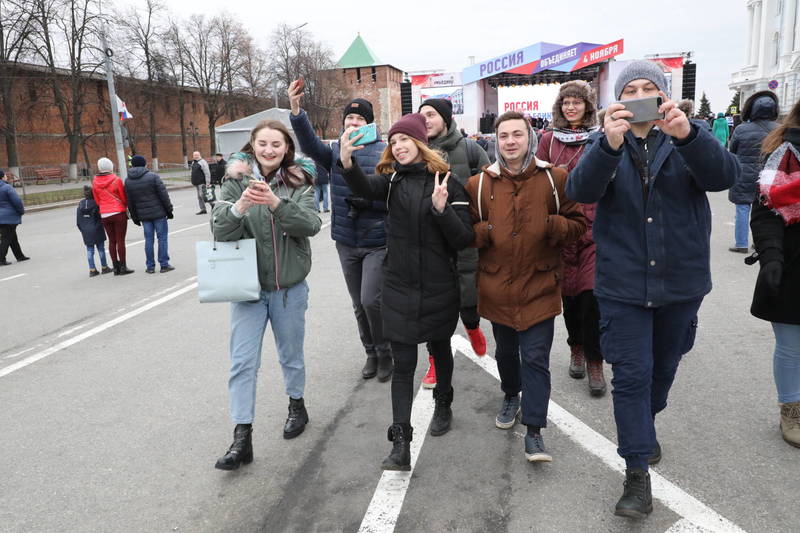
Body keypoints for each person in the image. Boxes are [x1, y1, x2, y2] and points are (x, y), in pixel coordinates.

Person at [567, 61, 739, 518]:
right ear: (618, 100)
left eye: (649, 88)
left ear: (663, 95)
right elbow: (580, 190)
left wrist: (688, 136)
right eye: (631, 89)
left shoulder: (688, 135)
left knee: (662, 371)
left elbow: (726, 177)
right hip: (622, 284)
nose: (641, 95)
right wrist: (608, 145)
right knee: (632, 377)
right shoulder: (603, 140)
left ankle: (645, 423)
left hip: (680, 282)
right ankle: (637, 473)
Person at [339, 113, 474, 471]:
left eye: (405, 141)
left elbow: (464, 239)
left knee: (439, 348)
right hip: (397, 285)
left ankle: (443, 401)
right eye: (394, 142)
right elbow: (365, 189)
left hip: (437, 285)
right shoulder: (393, 180)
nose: (398, 147)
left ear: (420, 143)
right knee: (403, 366)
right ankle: (401, 443)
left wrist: (442, 210)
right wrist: (347, 161)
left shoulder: (446, 181)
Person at [467, 111, 587, 461]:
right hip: (497, 286)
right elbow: (466, 232)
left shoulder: (555, 179)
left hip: (540, 284)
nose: (511, 142)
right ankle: (510, 393)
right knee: (506, 353)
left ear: (530, 137)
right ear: (495, 140)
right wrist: (486, 232)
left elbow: (578, 223)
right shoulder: (479, 185)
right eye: (504, 136)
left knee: (535, 358)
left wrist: (553, 225)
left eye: (517, 134)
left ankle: (534, 431)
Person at [211, 121, 321, 471]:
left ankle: (296, 405)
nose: (269, 150)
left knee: (290, 354)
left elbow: (310, 225)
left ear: (286, 147)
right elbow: (219, 230)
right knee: (242, 363)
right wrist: (239, 207)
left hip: (288, 288)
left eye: (276, 144)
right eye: (262, 144)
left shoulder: (298, 181)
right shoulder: (234, 179)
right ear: (253, 146)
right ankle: (242, 437)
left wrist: (276, 202)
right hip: (246, 290)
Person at [289, 82, 393, 382]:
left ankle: (386, 352)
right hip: (347, 240)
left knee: (372, 299)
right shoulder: (334, 151)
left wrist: (369, 201)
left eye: (359, 119)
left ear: (369, 123)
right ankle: (371, 353)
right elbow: (308, 144)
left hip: (377, 240)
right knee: (358, 303)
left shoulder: (384, 152)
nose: (353, 122)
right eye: (349, 118)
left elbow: (390, 193)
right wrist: (296, 110)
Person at [535, 80, 606, 397]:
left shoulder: (599, 137)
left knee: (593, 298)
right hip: (563, 228)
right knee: (570, 299)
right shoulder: (548, 139)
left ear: (588, 105)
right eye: (567, 102)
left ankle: (595, 359)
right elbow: (534, 176)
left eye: (578, 101)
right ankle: (575, 347)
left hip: (596, 227)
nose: (572, 107)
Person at [418, 97, 490, 388]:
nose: (425, 120)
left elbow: (489, 188)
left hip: (463, 236)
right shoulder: (414, 150)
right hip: (429, 243)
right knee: (432, 309)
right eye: (421, 116)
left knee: (468, 297)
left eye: (431, 115)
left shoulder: (470, 148)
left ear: (446, 119)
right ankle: (434, 361)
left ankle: (472, 327)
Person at [748, 97, 800, 448]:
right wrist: (771, 258)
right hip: (793, 263)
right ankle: (792, 409)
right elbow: (766, 211)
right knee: (792, 346)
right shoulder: (786, 154)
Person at [728, 91, 780, 253]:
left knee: (743, 208)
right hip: (769, 176)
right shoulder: (779, 130)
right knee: (765, 212)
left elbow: (732, 150)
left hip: (744, 174)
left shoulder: (741, 129)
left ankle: (741, 244)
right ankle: (760, 243)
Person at [124, 155, 175, 274]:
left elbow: (130, 202)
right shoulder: (153, 177)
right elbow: (163, 195)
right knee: (162, 238)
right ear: (144, 164)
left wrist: (135, 217)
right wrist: (169, 210)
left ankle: (150, 266)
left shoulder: (128, 180)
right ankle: (164, 264)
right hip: (159, 213)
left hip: (144, 216)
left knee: (148, 240)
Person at [93, 158, 134, 275]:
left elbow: (97, 200)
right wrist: (124, 206)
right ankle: (123, 267)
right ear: (110, 167)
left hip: (105, 214)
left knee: (112, 241)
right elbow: (123, 197)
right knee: (120, 240)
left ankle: (115, 267)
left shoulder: (95, 181)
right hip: (118, 212)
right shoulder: (116, 180)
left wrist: (104, 207)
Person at [76, 185, 112, 277]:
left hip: (86, 230)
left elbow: (78, 221)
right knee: (101, 249)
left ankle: (92, 269)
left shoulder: (80, 205)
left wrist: (83, 229)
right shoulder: (96, 203)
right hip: (97, 228)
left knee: (89, 250)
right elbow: (100, 216)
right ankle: (104, 267)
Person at [0, 170, 29, 266]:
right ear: (2, 177)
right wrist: (21, 211)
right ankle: (1, 259)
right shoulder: (7, 187)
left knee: (12, 237)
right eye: (5, 175)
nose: (6, 177)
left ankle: (19, 256)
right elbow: (17, 201)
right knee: (6, 237)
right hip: (8, 217)